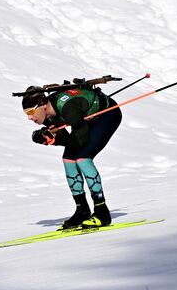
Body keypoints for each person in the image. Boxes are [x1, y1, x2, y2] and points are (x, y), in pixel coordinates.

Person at [22, 83, 122, 230]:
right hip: (87, 121)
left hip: (107, 115)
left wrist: (54, 140)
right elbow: (66, 139)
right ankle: (82, 210)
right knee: (68, 159)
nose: (29, 118)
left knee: (83, 158)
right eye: (27, 114)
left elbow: (79, 140)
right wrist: (48, 137)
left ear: (43, 104)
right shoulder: (48, 115)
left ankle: (102, 212)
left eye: (31, 112)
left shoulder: (68, 107)